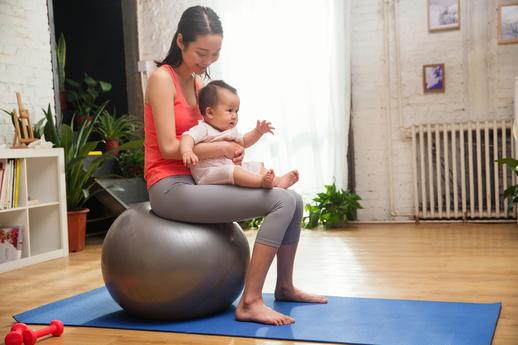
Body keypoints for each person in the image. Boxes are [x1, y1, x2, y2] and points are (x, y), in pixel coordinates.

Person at [144, 5, 327, 326]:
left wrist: (231, 150)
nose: (207, 62)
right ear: (181, 40)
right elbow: (170, 148)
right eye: (202, 53)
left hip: (200, 180)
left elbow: (210, 142)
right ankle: (251, 302)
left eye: (215, 55)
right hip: (169, 186)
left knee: (294, 201)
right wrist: (222, 147)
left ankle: (284, 286)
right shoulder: (162, 79)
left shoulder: (201, 88)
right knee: (282, 200)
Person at [180, 80, 299, 189]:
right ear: (210, 112)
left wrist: (258, 132)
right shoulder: (204, 128)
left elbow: (244, 142)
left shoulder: (231, 131)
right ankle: (261, 182)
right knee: (232, 170)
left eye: (236, 111)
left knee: (255, 166)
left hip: (229, 168)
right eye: (229, 110)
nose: (234, 115)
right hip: (208, 173)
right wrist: (187, 151)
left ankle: (277, 181)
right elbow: (187, 136)